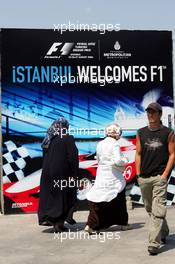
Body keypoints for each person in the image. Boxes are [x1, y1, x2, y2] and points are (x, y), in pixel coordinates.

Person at [135, 102, 175, 255]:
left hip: (159, 177)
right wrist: (138, 174)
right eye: (148, 112)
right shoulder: (141, 132)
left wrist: (165, 174)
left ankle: (153, 243)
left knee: (158, 210)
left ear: (160, 115)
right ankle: (163, 231)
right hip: (144, 177)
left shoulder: (168, 133)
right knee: (150, 209)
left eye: (153, 112)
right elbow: (138, 154)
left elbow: (172, 154)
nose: (150, 114)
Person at [85, 123, 131, 233]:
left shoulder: (100, 143)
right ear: (117, 133)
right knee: (119, 199)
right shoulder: (114, 144)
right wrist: (126, 160)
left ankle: (91, 224)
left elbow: (98, 158)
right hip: (113, 176)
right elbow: (118, 161)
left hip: (101, 175)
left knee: (98, 199)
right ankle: (123, 223)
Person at [38, 117, 79, 232]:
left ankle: (49, 218)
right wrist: (75, 173)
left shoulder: (48, 139)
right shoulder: (68, 138)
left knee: (50, 195)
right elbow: (72, 157)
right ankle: (58, 222)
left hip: (47, 173)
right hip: (62, 173)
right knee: (63, 197)